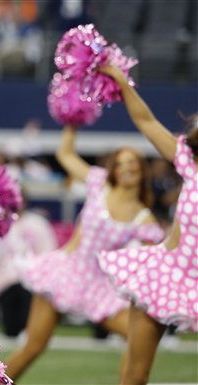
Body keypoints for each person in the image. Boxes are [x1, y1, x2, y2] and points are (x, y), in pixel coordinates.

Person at [4, 124, 166, 382]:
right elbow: (66, 155)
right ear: (114, 168)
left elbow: (151, 266)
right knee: (33, 347)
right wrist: (73, 121)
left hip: (99, 287)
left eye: (133, 162)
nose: (127, 168)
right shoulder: (99, 184)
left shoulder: (144, 220)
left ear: (142, 169)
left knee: (138, 338)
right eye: (121, 163)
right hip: (65, 272)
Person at [98, 65, 197, 385]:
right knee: (134, 377)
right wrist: (120, 79)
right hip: (163, 275)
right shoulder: (189, 165)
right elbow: (146, 121)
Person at [0, 190, 58, 338]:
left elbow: (48, 251)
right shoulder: (1, 224)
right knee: (11, 328)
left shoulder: (38, 223)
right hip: (7, 280)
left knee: (27, 318)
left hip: (33, 279)